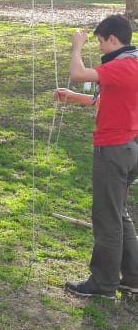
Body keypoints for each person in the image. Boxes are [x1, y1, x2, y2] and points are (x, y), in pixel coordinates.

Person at [55, 15, 138, 300]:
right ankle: (133, 278)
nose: (100, 47)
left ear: (113, 39)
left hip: (113, 150)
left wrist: (77, 46)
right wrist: (73, 96)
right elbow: (111, 99)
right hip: (129, 147)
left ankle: (103, 284)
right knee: (119, 214)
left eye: (101, 41)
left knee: (107, 219)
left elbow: (77, 73)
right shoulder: (132, 62)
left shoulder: (124, 65)